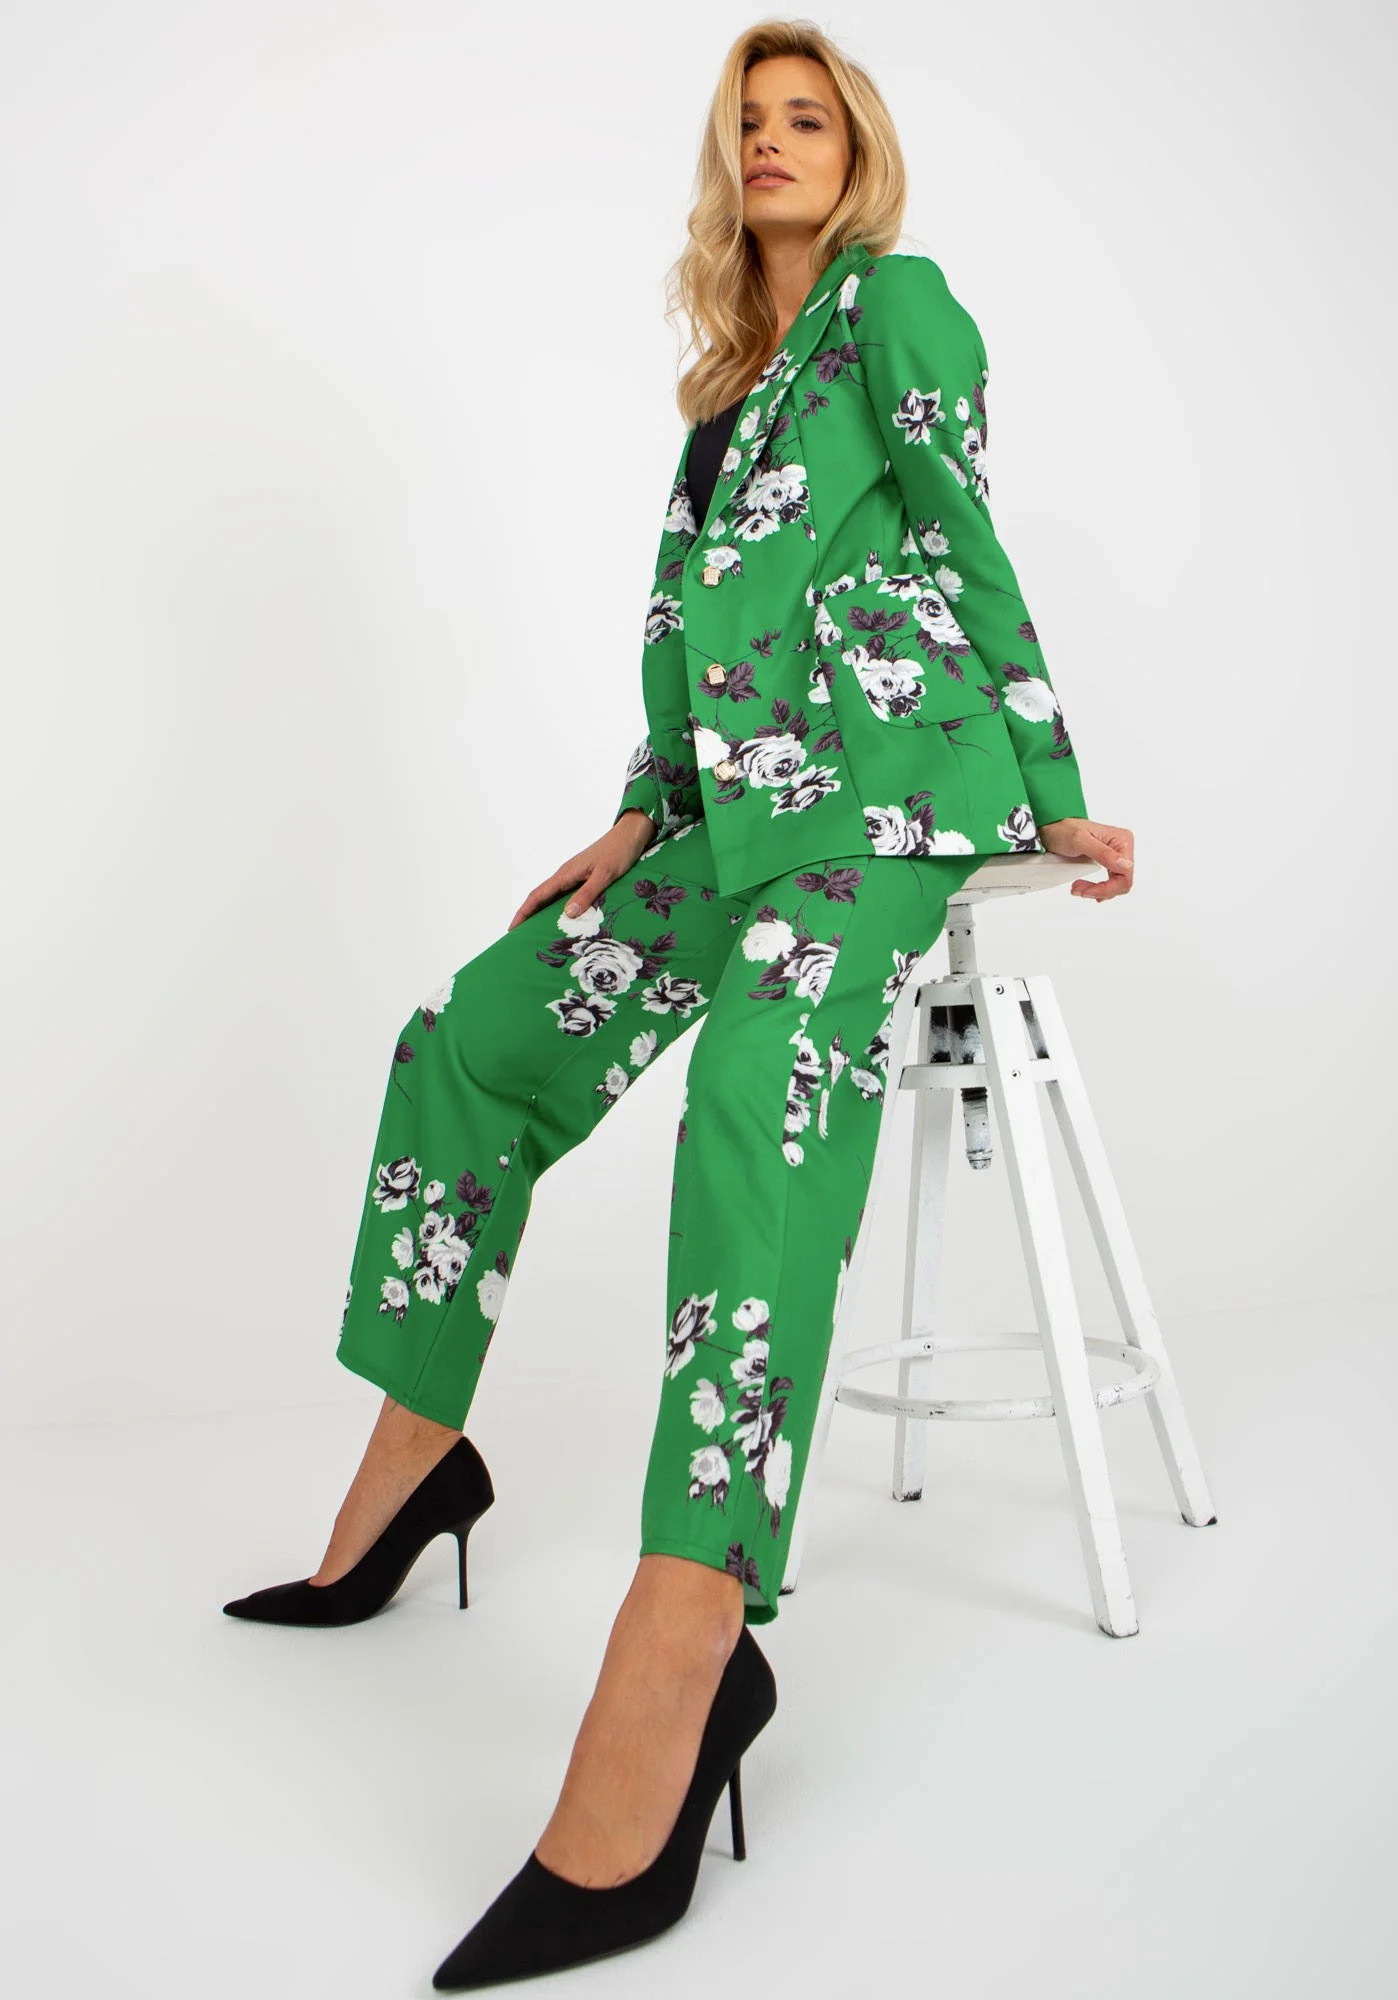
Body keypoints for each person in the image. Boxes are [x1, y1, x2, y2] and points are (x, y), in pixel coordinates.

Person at [222, 18, 1135, 1989]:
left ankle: (692, 1631)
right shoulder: (723, 383)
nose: (776, 143)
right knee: (475, 1036)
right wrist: (640, 810)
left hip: (886, 803)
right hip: (731, 815)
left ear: (856, 148)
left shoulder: (900, 307)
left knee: (753, 1101)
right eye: (750, 124)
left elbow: (965, 527)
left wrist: (1052, 783)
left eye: (808, 117)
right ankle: (414, 1462)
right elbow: (682, 637)